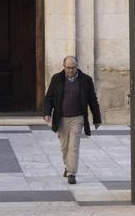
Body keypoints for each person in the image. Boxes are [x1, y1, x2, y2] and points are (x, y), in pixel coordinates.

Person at [42, 56, 102, 185]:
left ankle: (71, 173)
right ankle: (68, 166)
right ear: (64, 67)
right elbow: (49, 98)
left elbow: (92, 100)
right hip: (61, 118)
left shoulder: (86, 80)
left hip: (77, 118)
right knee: (64, 147)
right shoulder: (56, 79)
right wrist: (47, 113)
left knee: (73, 146)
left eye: (72, 67)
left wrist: (97, 118)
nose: (70, 70)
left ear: (77, 67)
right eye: (67, 67)